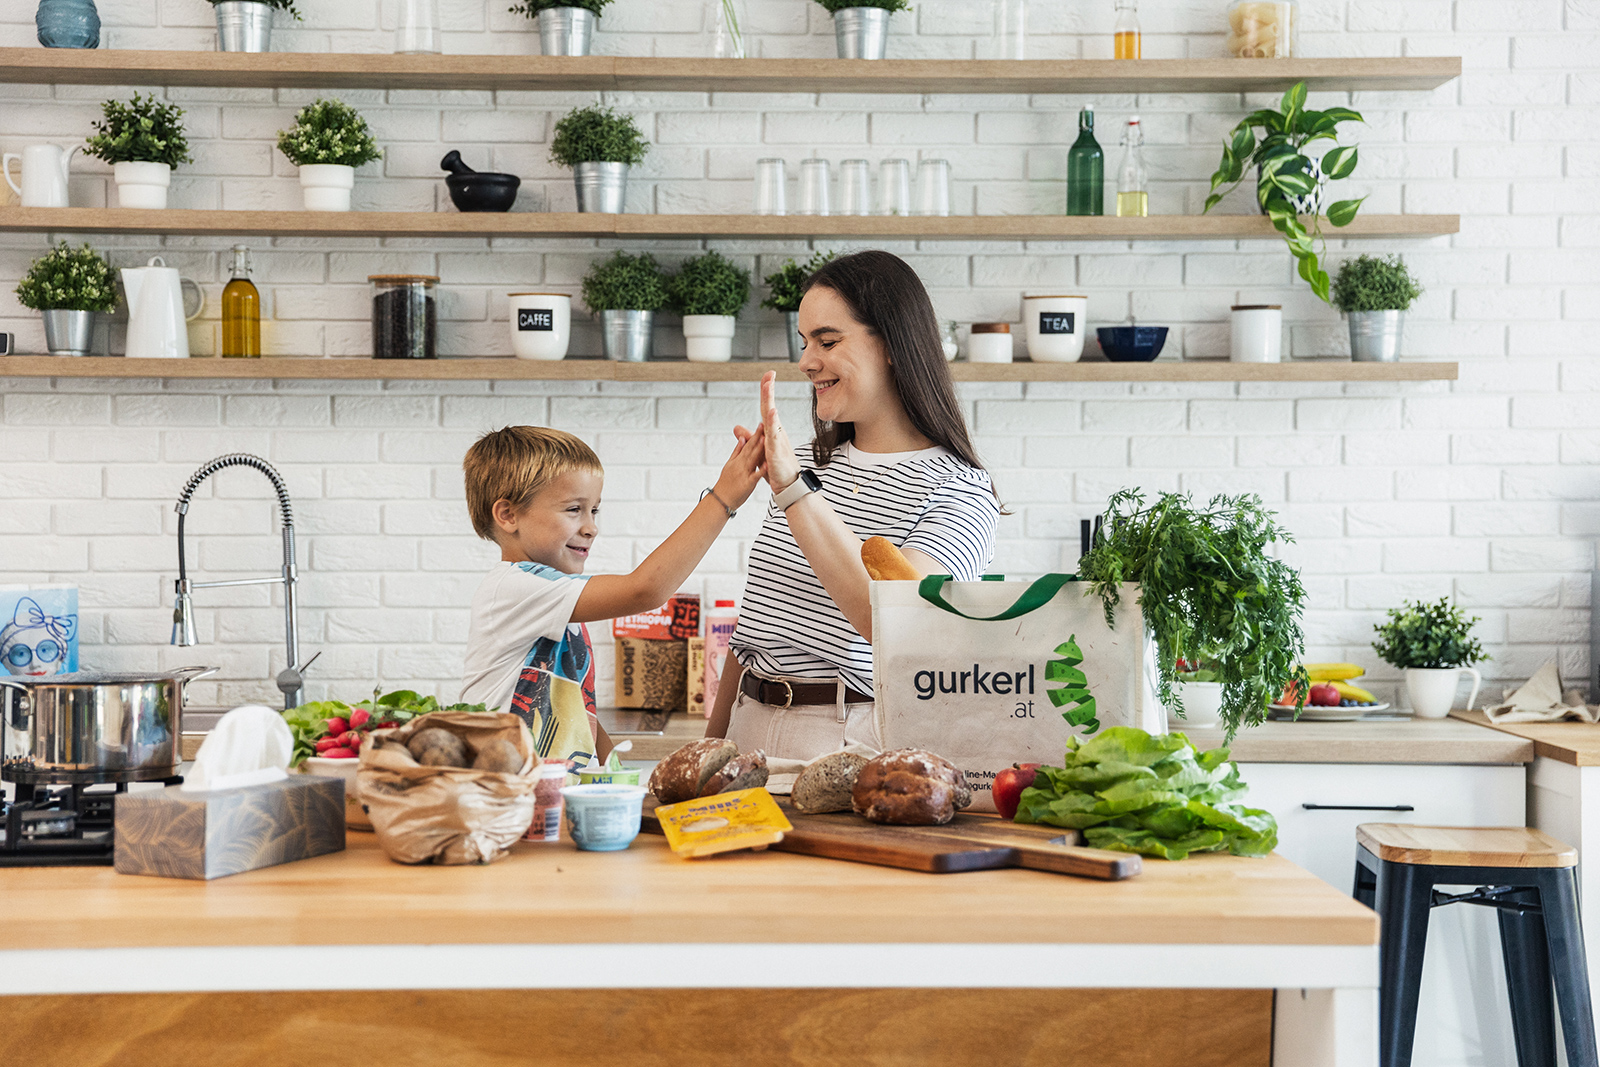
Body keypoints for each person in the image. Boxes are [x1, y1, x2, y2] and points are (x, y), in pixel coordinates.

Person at [706, 250, 1001, 760]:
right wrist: (710, 744)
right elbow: (755, 626)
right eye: (804, 343)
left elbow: (895, 626)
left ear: (891, 345)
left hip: (850, 735)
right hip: (746, 721)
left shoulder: (961, 491)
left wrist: (795, 491)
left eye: (827, 340)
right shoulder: (803, 465)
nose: (805, 361)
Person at [461, 424, 765, 767]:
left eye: (594, 510)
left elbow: (578, 709)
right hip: (505, 791)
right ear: (508, 515)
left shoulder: (551, 594)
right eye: (574, 509)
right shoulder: (514, 588)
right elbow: (646, 589)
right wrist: (723, 498)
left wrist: (613, 774)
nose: (591, 527)